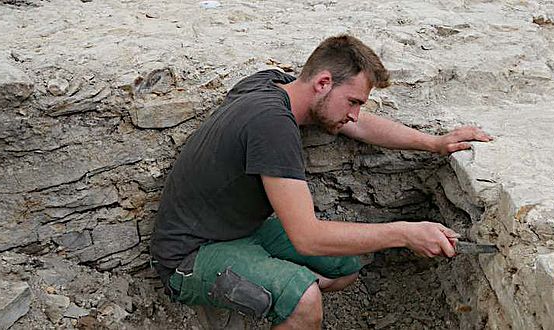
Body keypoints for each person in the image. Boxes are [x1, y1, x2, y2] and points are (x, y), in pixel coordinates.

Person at [150, 34, 493, 329]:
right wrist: (404, 233)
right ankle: (289, 299)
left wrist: (433, 143)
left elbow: (355, 124)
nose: (356, 112)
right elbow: (308, 238)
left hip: (240, 230)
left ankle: (275, 290)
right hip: (190, 254)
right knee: (305, 301)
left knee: (345, 267)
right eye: (354, 101)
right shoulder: (272, 126)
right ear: (323, 83)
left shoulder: (273, 83)